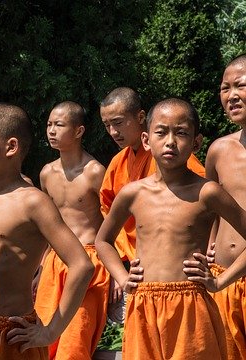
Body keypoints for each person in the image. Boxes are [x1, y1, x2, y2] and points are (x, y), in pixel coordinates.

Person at [95, 98, 246, 360]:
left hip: (191, 306)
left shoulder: (207, 192)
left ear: (196, 143)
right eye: (161, 132)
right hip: (143, 305)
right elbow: (103, 241)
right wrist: (122, 277)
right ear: (146, 139)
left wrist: (220, 281)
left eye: (182, 133)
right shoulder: (133, 193)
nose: (170, 141)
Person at [0, 103, 93, 359]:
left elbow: (82, 265)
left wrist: (51, 331)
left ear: (10, 147)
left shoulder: (31, 202)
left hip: (11, 333)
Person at [99, 87, 206, 308]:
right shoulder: (118, 162)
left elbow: (205, 209)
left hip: (180, 276)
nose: (112, 132)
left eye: (118, 122)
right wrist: (121, 269)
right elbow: (107, 210)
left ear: (140, 118)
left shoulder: (174, 161)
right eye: (107, 125)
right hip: (138, 268)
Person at [35, 101, 110, 359]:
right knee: (42, 335)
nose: (51, 131)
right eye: (49, 125)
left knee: (74, 341)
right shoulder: (46, 173)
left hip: (89, 260)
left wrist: (116, 264)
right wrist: (41, 267)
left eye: (59, 124)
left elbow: (112, 222)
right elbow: (48, 227)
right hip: (55, 260)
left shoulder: (95, 172)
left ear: (78, 131)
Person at [203, 53, 246, 360]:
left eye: (240, 86)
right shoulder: (218, 150)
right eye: (224, 88)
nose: (231, 96)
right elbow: (210, 209)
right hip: (220, 279)